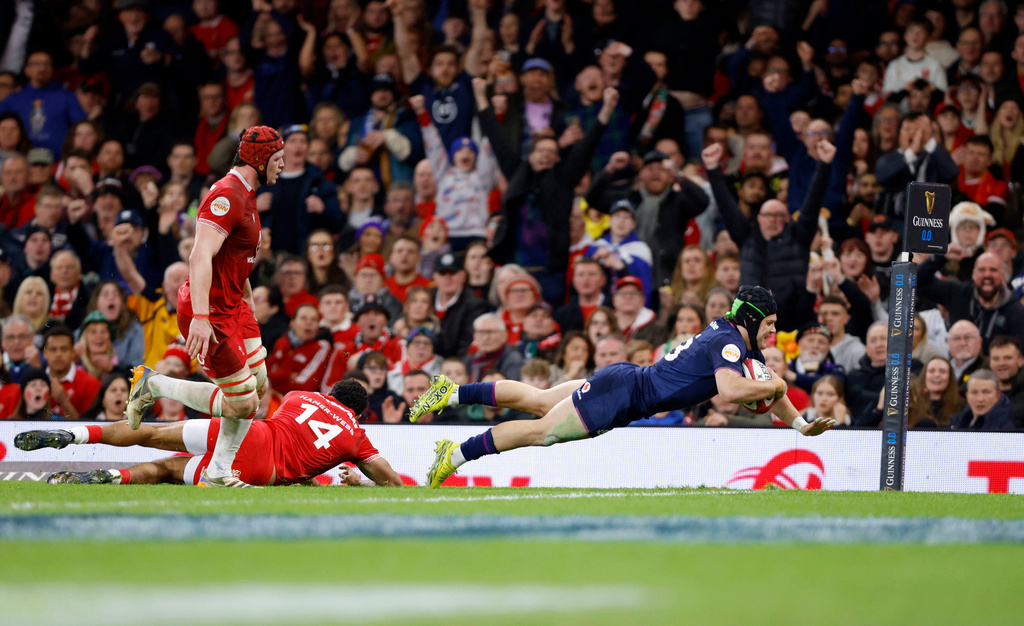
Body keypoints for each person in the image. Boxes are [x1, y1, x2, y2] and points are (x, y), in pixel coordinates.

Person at [408, 286, 834, 487]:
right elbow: (731, 391)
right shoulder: (727, 343)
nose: (774, 335)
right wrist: (776, 383)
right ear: (752, 319)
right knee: (542, 432)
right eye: (771, 325)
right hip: (624, 395)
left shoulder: (734, 340)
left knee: (538, 401)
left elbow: (763, 389)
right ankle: (457, 453)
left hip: (625, 381)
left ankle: (451, 391)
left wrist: (798, 424)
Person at [123, 125, 285, 488]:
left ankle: (219, 472)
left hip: (233, 305)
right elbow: (199, 256)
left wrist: (245, 294)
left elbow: (235, 254)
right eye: (277, 159)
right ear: (258, 160)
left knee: (258, 387)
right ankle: (155, 385)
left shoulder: (247, 192)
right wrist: (199, 317)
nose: (282, 165)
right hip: (209, 310)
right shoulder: (226, 195)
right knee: (243, 402)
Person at [17, 380, 403, 487]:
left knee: (150, 433)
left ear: (331, 393)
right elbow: (387, 476)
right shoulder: (356, 435)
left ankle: (76, 433)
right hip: (258, 471)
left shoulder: (303, 396)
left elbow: (295, 431)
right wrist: (378, 484)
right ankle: (115, 477)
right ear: (359, 412)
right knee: (168, 470)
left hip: (243, 435)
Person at [950, 369, 1017, 431]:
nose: (980, 399)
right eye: (974, 392)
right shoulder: (955, 423)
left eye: (986, 392)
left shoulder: (1006, 429)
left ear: (997, 396)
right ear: (967, 396)